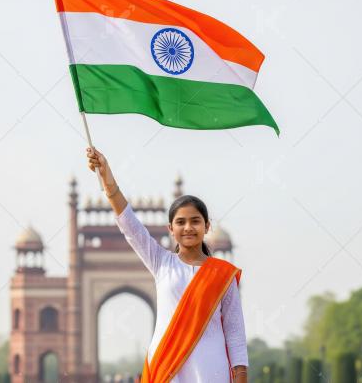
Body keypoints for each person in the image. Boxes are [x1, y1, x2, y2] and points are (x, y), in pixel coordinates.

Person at [86, 146, 249, 383]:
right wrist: (107, 179)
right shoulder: (162, 263)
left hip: (211, 368)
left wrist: (241, 375)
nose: (188, 227)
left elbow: (235, 332)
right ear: (170, 230)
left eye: (195, 221)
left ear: (207, 226)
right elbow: (129, 225)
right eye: (180, 222)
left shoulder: (223, 275)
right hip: (167, 366)